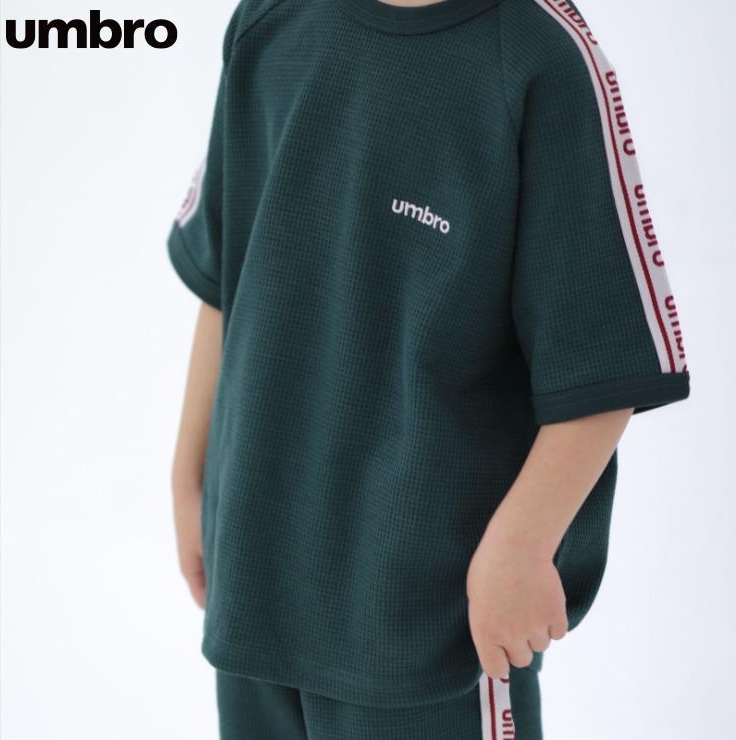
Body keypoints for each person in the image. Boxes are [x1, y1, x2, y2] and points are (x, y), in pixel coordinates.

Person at [167, 0, 691, 737]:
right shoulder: (272, 20)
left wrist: (521, 548)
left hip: (430, 617)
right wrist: (187, 477)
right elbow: (225, 276)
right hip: (255, 580)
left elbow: (604, 362)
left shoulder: (541, 59)